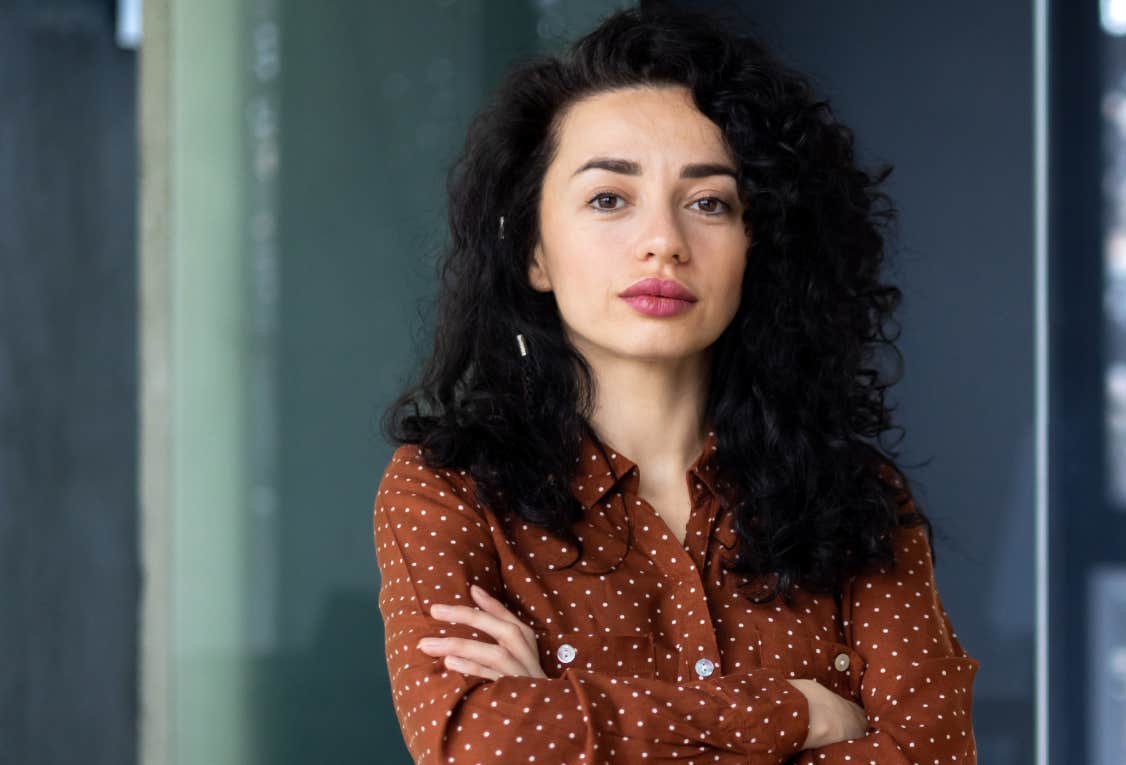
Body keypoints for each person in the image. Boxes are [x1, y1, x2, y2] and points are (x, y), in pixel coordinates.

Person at [372, 3, 979, 763]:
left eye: (709, 203)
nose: (663, 241)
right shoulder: (449, 493)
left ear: (758, 248)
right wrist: (796, 709)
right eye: (608, 198)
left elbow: (934, 753)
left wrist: (560, 714)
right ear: (534, 252)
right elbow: (480, 740)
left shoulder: (860, 499)